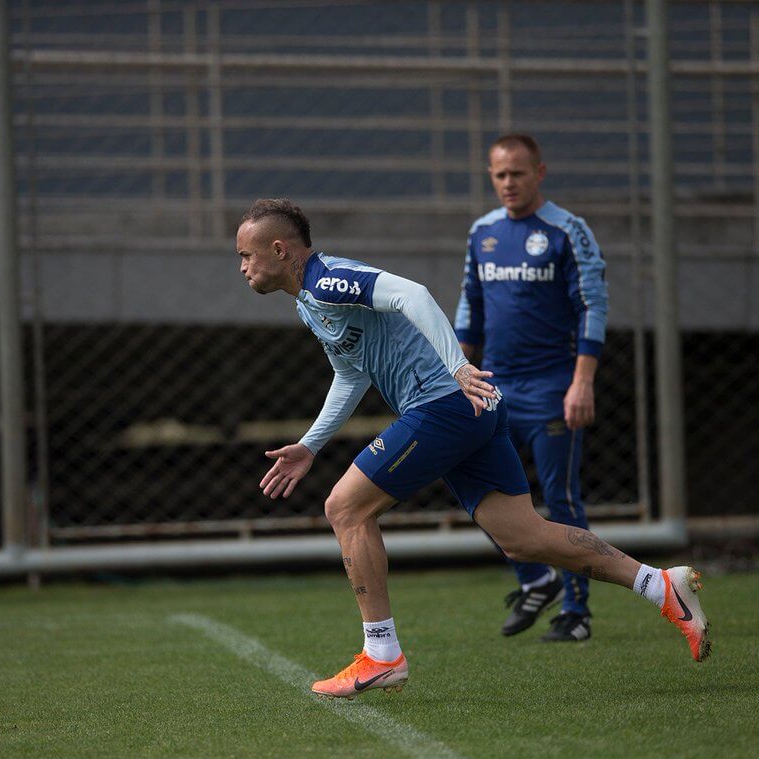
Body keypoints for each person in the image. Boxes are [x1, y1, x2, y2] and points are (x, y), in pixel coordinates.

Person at [237, 198, 709, 699]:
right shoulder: (308, 301)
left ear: (279, 249)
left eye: (246, 255)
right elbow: (353, 372)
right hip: (471, 409)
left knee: (345, 508)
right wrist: (310, 445)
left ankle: (382, 655)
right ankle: (661, 586)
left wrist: (459, 369)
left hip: (447, 405)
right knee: (525, 538)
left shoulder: (325, 279)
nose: (243, 267)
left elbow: (412, 295)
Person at [454, 132, 608, 643]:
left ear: (539, 173)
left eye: (517, 173)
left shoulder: (568, 231)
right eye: (499, 175)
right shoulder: (482, 233)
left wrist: (581, 382)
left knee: (561, 499)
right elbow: (469, 313)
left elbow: (592, 307)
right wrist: (455, 376)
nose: (508, 183)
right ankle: (535, 577)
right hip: (494, 386)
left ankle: (577, 612)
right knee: (477, 487)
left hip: (551, 387)